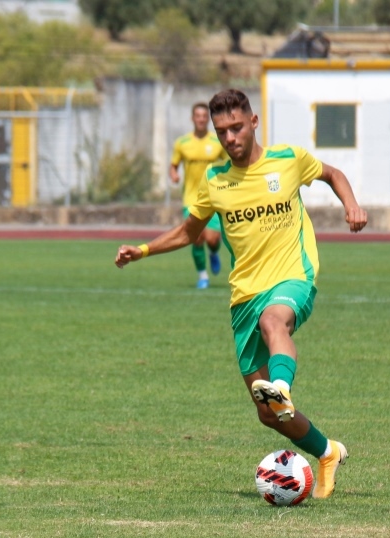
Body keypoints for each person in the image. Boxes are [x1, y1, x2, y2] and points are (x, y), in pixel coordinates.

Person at [116, 89, 368, 499]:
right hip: (243, 296)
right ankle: (327, 452)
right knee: (268, 416)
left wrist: (351, 204)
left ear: (253, 122)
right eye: (222, 132)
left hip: (292, 277)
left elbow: (333, 174)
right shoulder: (216, 182)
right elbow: (188, 232)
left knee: (275, 323)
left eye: (236, 127)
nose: (230, 137)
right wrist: (142, 250)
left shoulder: (287, 160)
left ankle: (282, 385)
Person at [169, 103, 229, 289]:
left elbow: (229, 164)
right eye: (198, 116)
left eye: (205, 116)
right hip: (191, 198)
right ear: (192, 118)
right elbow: (173, 165)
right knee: (196, 237)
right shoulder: (182, 143)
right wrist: (174, 174)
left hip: (213, 197)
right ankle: (203, 276)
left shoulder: (218, 142)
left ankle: (213, 253)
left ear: (208, 119)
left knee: (212, 239)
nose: (201, 119)